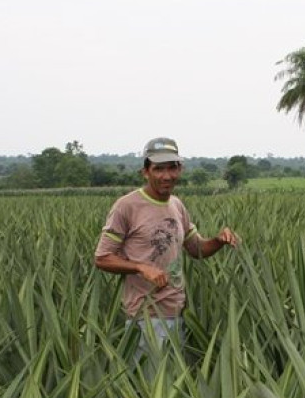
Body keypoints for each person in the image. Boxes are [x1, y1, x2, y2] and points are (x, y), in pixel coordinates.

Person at [94, 137, 237, 355]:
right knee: (152, 376)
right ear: (145, 171)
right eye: (159, 169)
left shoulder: (176, 205)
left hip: (178, 313)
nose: (167, 176)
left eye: (172, 168)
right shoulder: (127, 206)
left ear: (180, 169)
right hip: (145, 317)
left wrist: (219, 241)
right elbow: (102, 258)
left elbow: (196, 249)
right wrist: (141, 267)